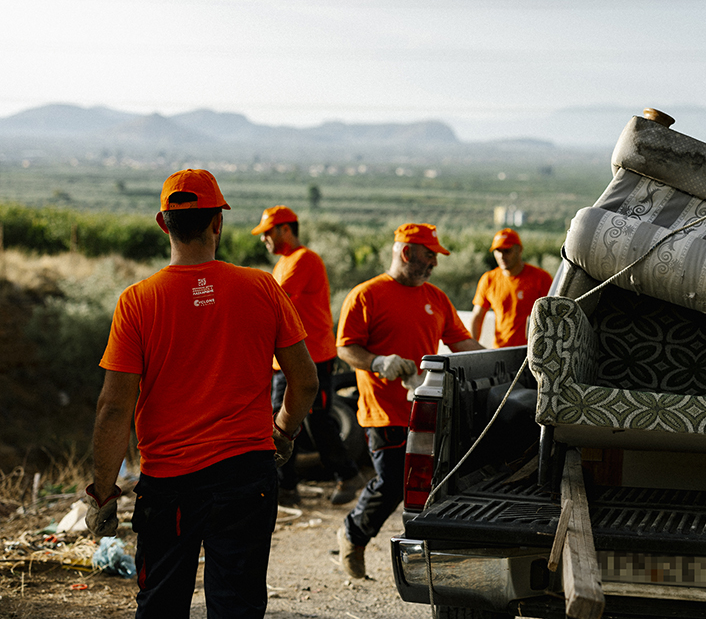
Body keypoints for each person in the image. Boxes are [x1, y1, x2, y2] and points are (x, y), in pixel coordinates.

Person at [86, 169, 318, 619]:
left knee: (160, 605)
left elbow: (114, 408)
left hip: (170, 485)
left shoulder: (137, 300)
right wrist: (283, 433)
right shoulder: (261, 287)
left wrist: (103, 493)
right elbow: (304, 380)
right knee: (237, 604)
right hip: (247, 475)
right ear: (218, 224)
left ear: (163, 223)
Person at [335, 223, 484, 578]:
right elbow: (345, 347)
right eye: (429, 255)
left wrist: (504, 364)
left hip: (427, 410)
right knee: (391, 484)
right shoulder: (366, 295)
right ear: (406, 253)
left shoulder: (436, 298)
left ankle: (427, 561)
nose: (434, 263)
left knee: (429, 487)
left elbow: (462, 344)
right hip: (383, 410)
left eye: (436, 257)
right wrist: (376, 362)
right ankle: (352, 535)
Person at [252, 205, 365, 506]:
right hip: (287, 359)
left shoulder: (304, 260)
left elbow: (273, 299)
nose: (264, 240)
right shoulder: (284, 262)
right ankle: (286, 487)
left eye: (267, 233)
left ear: (285, 229)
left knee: (317, 422)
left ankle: (347, 475)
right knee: (280, 421)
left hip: (313, 357)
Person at [469, 228, 553, 347]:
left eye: (507, 251)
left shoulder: (541, 278)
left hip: (531, 353)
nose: (501, 256)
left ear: (519, 250)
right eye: (498, 251)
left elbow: (553, 317)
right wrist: (472, 348)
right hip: (500, 352)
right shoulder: (488, 279)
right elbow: (477, 316)